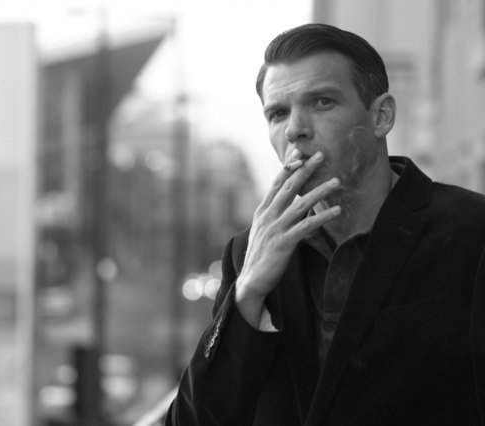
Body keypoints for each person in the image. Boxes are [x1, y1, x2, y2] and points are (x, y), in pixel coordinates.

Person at [165, 23, 485, 425]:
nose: (294, 129)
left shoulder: (472, 231)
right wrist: (247, 292)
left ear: (381, 116)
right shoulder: (249, 253)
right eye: (278, 113)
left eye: (322, 102)